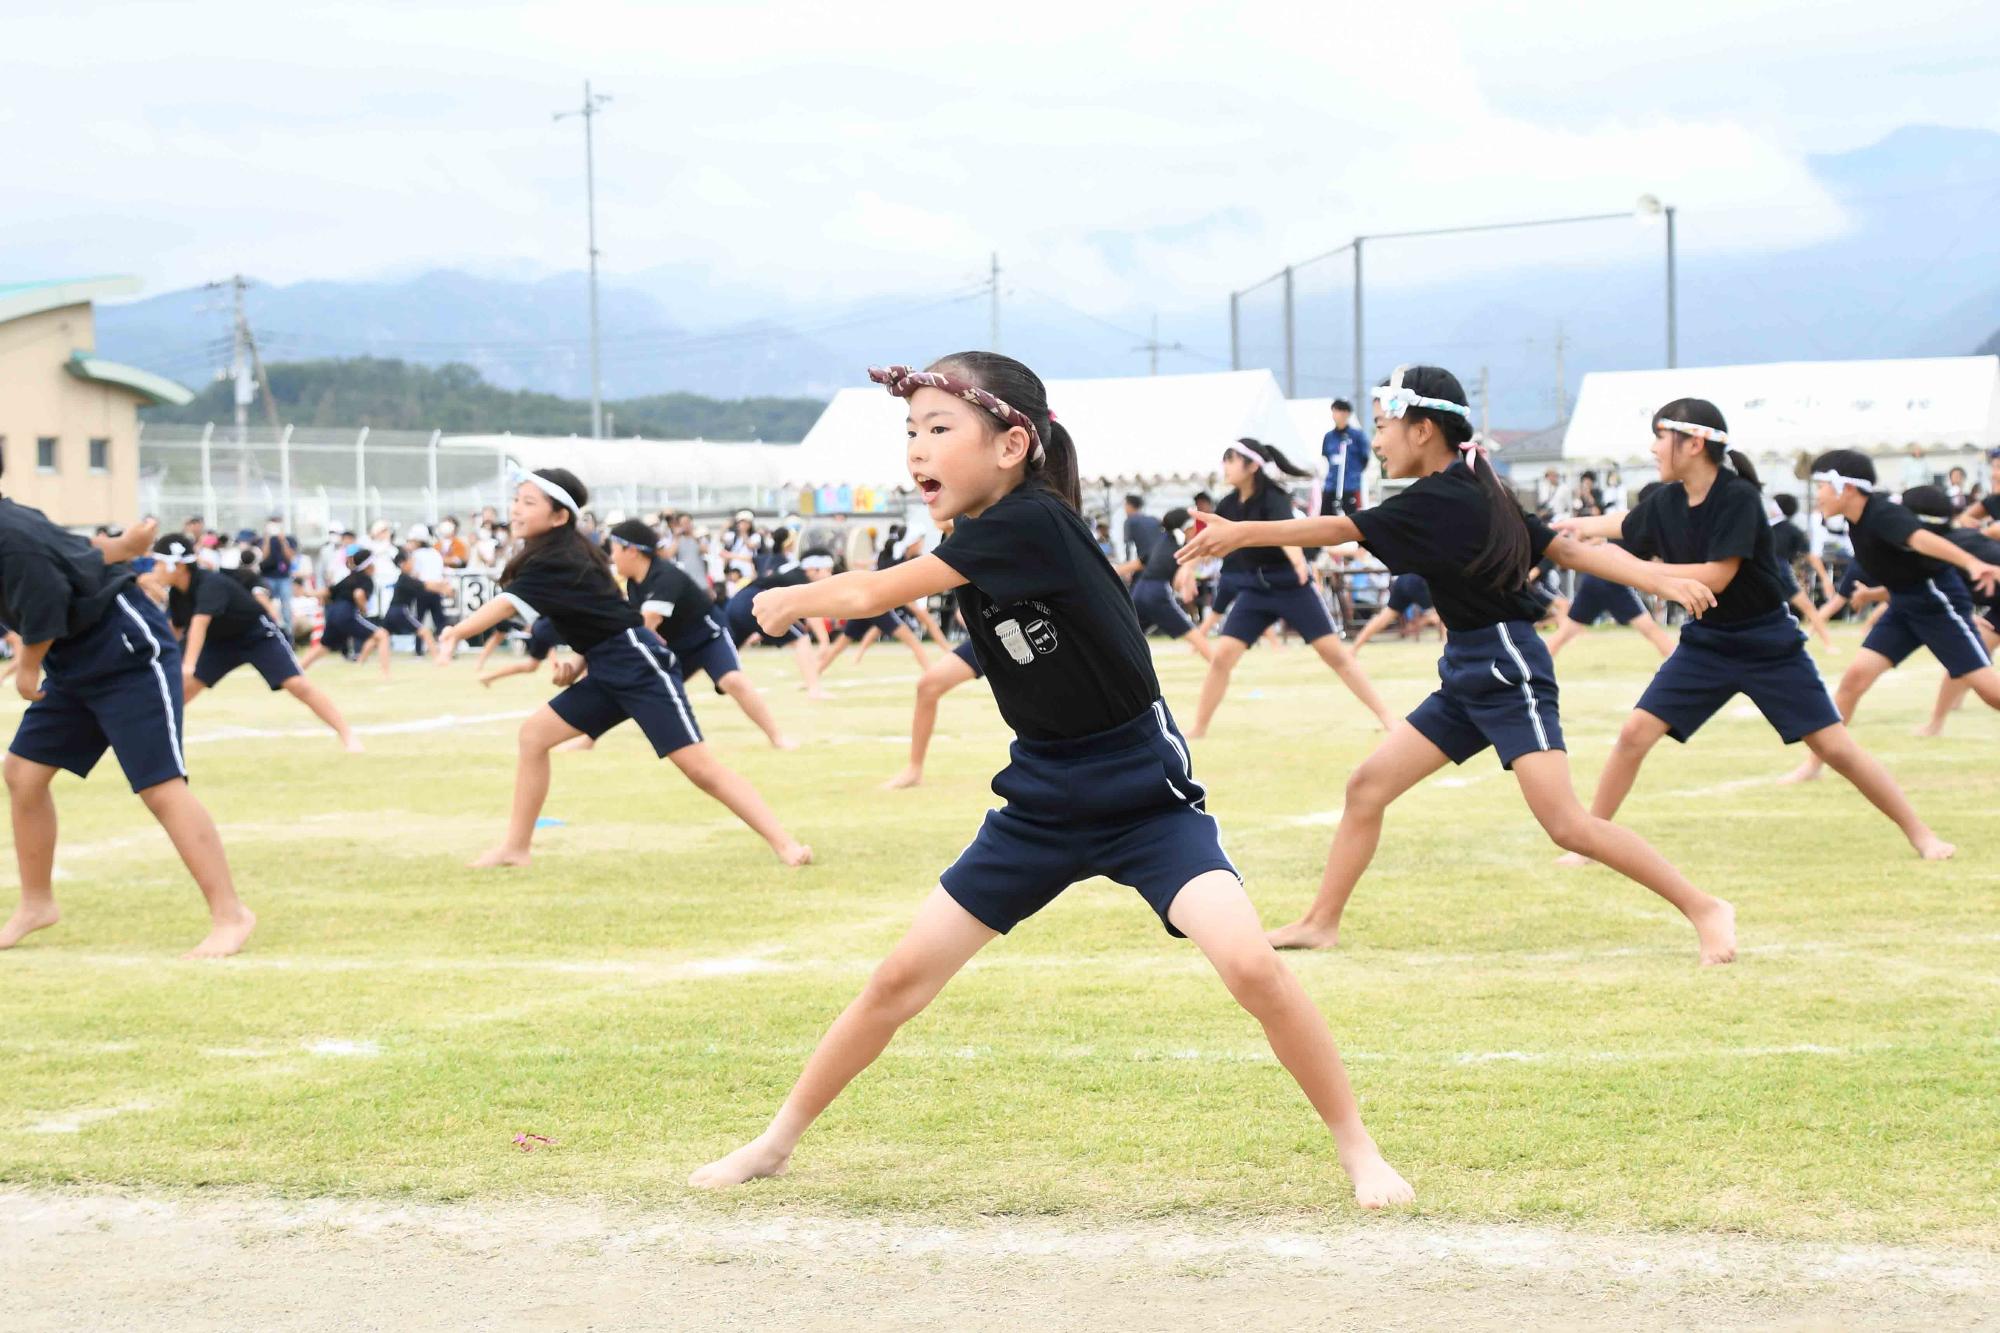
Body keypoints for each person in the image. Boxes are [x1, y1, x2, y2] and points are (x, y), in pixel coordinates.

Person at [691, 352, 1412, 1210]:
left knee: (1252, 966)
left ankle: (1360, 1149)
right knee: (897, 981)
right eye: (909, 432)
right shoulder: (978, 536)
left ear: (1013, 443)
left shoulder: (1033, 521)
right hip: (1038, 800)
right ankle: (774, 1144)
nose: (916, 449)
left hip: (1143, 795)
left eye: (937, 428)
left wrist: (784, 599)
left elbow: (878, 589)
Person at [1178, 364, 1735, 964]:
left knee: (1568, 825)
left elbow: (1338, 527)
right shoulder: (1470, 484)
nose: (1379, 440)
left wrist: (1240, 534)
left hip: (1506, 666)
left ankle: (1705, 907)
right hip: (1468, 667)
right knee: (1367, 787)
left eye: (1384, 425)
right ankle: (1320, 922)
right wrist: (1655, 575)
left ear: (1423, 431)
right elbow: (1565, 546)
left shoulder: (1446, 495)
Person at [1550, 402, 1952, 865]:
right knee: (1635, 733)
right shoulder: (1667, 500)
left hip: (1768, 645)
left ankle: (1921, 835)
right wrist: (1562, 531)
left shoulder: (1737, 497)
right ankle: (1591, 843)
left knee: (1834, 747)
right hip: (1707, 644)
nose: (1653, 447)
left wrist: (1631, 566)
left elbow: (1717, 576)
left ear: (1694, 444)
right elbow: (1621, 525)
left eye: (1661, 436)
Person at [437, 470, 809, 867]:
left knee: (700, 769)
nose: (516, 509)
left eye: (529, 503)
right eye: (516, 500)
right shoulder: (559, 556)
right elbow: (599, 618)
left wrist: (455, 633)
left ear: (559, 517)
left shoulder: (556, 559)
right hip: (608, 667)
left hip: (638, 665)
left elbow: (509, 604)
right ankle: (516, 848)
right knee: (533, 737)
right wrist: (578, 663)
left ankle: (785, 843)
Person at [0, 485, 255, 958]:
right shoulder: (17, 520)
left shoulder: (10, 532)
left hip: (125, 649)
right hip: (74, 660)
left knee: (159, 786)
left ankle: (231, 915)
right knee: (23, 773)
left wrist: (28, 666)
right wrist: (128, 548)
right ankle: (36, 904)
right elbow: (82, 553)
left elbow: (47, 600)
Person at [1784, 456, 2000, 784]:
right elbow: (1902, 569)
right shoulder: (1858, 521)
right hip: (1904, 604)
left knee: (1991, 693)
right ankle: (1814, 765)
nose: (1820, 494)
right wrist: (1873, 596)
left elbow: (1920, 540)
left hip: (1937, 603)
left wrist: (1971, 563)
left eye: (1825, 486)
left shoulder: (1883, 513)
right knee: (1854, 679)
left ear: (1848, 488)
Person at [1188, 437, 1394, 738]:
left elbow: (1288, 533)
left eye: (1230, 460)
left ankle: (1388, 718)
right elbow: (1210, 540)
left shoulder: (1274, 497)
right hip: (1254, 590)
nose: (1225, 466)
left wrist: (1299, 563)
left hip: (1292, 587)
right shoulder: (1229, 504)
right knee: (1222, 658)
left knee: (1335, 655)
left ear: (1250, 466)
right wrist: (1186, 568)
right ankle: (1199, 728)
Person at [147, 536, 360, 753]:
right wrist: (161, 658)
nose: (154, 569)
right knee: (180, 692)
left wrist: (188, 666)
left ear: (178, 565)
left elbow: (199, 624)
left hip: (256, 636)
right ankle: (153, 745)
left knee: (298, 685)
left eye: (158, 563)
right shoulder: (177, 593)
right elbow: (175, 628)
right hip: (218, 643)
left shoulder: (209, 583)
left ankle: (348, 735)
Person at [605, 519, 796, 749]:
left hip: (709, 638)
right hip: (677, 648)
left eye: (614, 550)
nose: (612, 557)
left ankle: (777, 737)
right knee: (638, 686)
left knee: (732, 680)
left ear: (632, 551)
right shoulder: (634, 584)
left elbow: (646, 625)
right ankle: (587, 739)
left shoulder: (665, 575)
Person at [1544, 482, 1676, 659]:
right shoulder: (1647, 527)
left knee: (1567, 632)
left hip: (1596, 578)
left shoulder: (1635, 522)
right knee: (1650, 629)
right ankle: (1680, 663)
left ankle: (1537, 662)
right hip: (1611, 580)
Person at [722, 532, 832, 700]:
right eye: (828, 570)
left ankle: (719, 683)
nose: (830, 575)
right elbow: (812, 615)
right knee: (801, 639)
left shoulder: (792, 570)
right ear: (812, 568)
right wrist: (824, 641)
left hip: (737, 602)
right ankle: (814, 689)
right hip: (756, 601)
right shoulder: (801, 577)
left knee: (728, 649)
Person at [818, 526, 936, 675]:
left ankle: (815, 673)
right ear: (912, 542)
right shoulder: (898, 560)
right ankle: (932, 673)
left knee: (840, 645)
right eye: (920, 541)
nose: (921, 544)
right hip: (878, 606)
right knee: (912, 641)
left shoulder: (892, 556)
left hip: (867, 604)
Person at [1120, 507, 1216, 661]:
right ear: (1187, 527)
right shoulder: (1181, 545)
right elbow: (1179, 582)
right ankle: (1218, 666)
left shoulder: (1161, 541)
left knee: (1128, 638)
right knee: (1192, 633)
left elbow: (1139, 563)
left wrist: (1111, 570)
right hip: (1157, 592)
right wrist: (1187, 582)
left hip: (1139, 590)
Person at [299, 547, 391, 677]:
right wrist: (364, 608)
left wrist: (308, 593)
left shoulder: (348, 578)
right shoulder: (366, 580)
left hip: (332, 613)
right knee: (382, 635)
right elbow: (358, 594)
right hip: (346, 613)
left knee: (323, 647)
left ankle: (296, 671)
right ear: (368, 566)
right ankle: (386, 674)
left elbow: (328, 591)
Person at [380, 549, 449, 656]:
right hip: (401, 611)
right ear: (403, 564)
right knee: (425, 632)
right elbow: (427, 585)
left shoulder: (405, 578)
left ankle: (361, 657)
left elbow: (424, 585)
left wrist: (441, 586)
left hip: (391, 611)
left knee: (381, 635)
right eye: (410, 561)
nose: (413, 563)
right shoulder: (406, 579)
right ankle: (438, 658)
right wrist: (442, 587)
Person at [1347, 573, 1441, 650]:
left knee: (1384, 617)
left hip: (1403, 578)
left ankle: (1354, 648)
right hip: (1420, 580)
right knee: (1446, 614)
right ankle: (1446, 646)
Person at [1320, 399, 1369, 516]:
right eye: (1334, 411)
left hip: (1350, 486)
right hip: (1331, 485)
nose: (1336, 415)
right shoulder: (1329, 437)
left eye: (1339, 411)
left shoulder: (1357, 435)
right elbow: (1326, 457)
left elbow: (1364, 458)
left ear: (1347, 414)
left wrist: (1353, 473)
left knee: (1352, 518)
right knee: (1325, 518)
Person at [258, 517, 296, 638]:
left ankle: (289, 637)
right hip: (268, 577)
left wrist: (283, 540)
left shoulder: (288, 539)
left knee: (286, 608)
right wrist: (268, 539)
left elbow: (290, 557)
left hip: (284, 577)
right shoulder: (263, 540)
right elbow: (263, 556)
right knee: (267, 607)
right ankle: (268, 634)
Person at [1121, 494, 1163, 566]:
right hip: (1161, 558)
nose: (1124, 508)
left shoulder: (1130, 521)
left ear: (1129, 506)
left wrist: (1127, 566)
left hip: (1145, 561)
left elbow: (1128, 546)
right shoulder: (1154, 519)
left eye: (1125, 505)